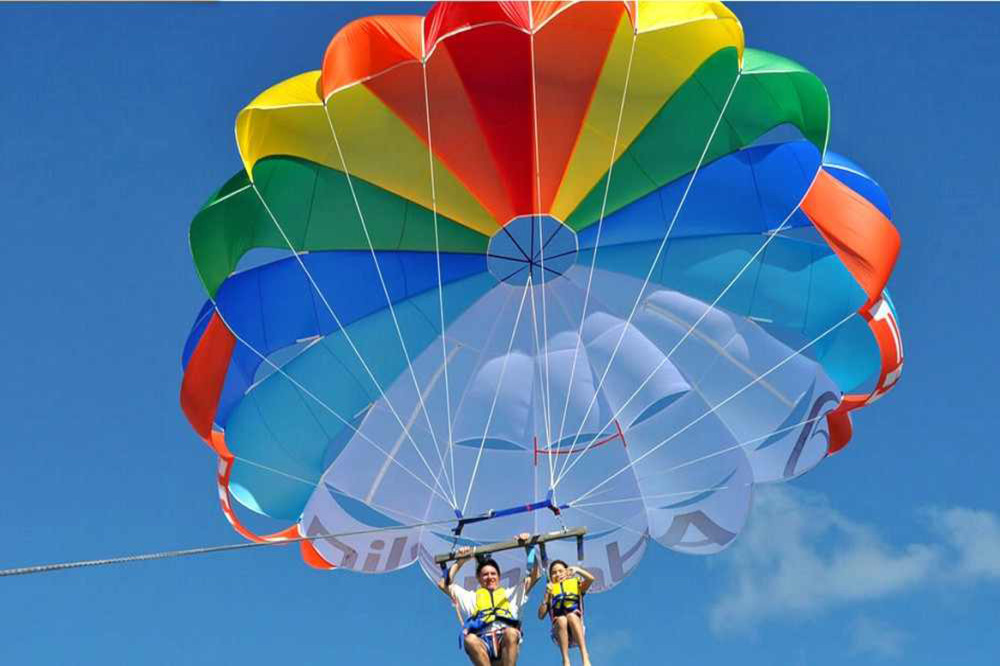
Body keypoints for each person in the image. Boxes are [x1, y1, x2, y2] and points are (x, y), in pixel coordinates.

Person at [438, 534, 542, 666]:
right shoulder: (471, 598)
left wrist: (528, 547)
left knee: (510, 632)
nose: (489, 577)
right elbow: (443, 584)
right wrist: (461, 561)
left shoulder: (511, 594)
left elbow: (536, 574)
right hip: (483, 645)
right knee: (469, 639)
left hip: (505, 641)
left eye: (493, 574)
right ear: (479, 578)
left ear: (498, 577)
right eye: (485, 574)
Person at [537, 559, 595, 666]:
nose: (557, 574)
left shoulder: (576, 585)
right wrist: (546, 596)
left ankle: (585, 655)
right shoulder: (550, 591)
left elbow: (591, 579)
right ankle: (565, 660)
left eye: (560, 571)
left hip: (576, 627)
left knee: (571, 616)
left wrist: (577, 570)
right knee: (561, 619)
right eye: (554, 573)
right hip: (559, 632)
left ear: (567, 572)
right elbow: (540, 615)